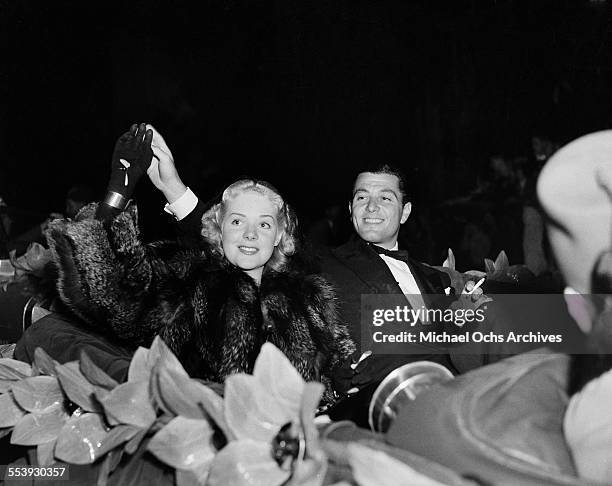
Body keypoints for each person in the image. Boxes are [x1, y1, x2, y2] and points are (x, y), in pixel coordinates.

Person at [37, 123, 355, 396]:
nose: (250, 234)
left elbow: (328, 373)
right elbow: (110, 293)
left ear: (279, 237)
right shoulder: (188, 284)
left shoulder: (306, 297)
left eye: (264, 224)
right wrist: (117, 194)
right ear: (218, 229)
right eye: (237, 221)